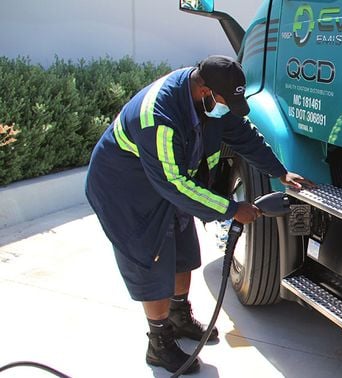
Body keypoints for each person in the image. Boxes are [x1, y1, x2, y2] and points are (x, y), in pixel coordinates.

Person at [85, 55, 313, 374]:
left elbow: (245, 137)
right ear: (203, 89)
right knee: (151, 260)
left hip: (166, 184)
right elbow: (174, 183)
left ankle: (178, 315)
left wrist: (281, 172)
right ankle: (159, 343)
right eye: (223, 100)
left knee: (183, 251)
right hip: (127, 191)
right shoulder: (158, 116)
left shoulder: (213, 102)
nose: (227, 106)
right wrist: (232, 209)